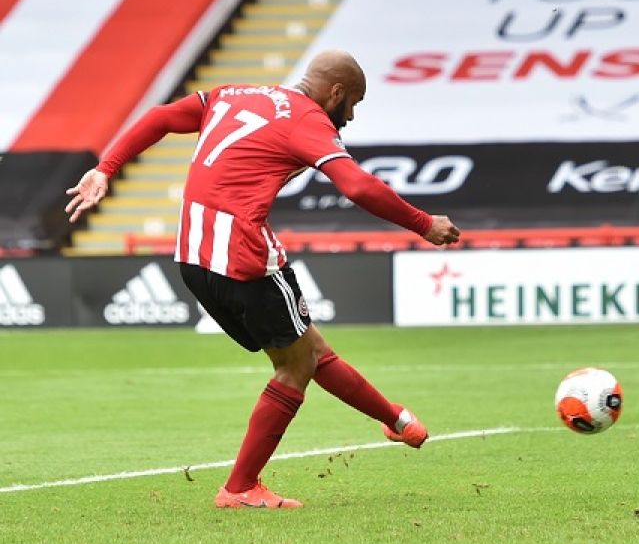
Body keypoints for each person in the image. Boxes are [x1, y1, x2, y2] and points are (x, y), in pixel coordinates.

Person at [65, 50, 461, 509]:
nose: (350, 116)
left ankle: (395, 420)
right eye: (352, 103)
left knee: (306, 350)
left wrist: (105, 167)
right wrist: (423, 223)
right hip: (243, 256)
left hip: (194, 257)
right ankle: (240, 488)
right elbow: (356, 186)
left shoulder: (234, 95)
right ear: (335, 92)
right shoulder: (309, 121)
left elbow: (160, 117)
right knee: (296, 366)